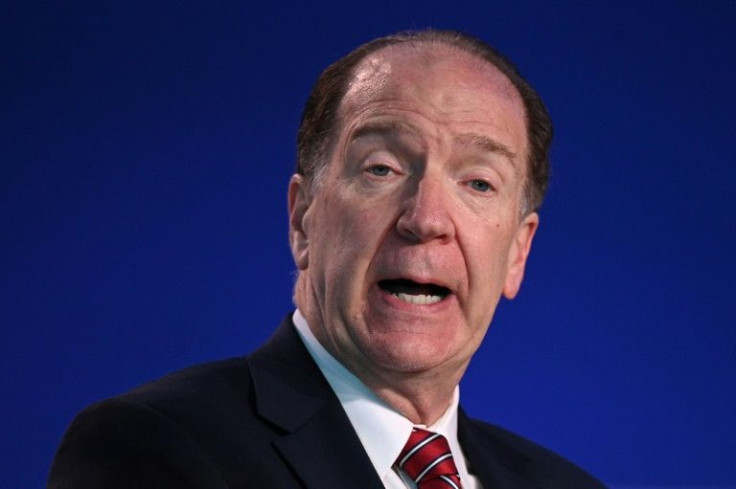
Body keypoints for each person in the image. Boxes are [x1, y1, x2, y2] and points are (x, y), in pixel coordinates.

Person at [48, 29, 606, 488]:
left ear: (517, 251)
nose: (427, 219)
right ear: (303, 220)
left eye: (479, 182)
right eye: (382, 168)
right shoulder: (154, 448)